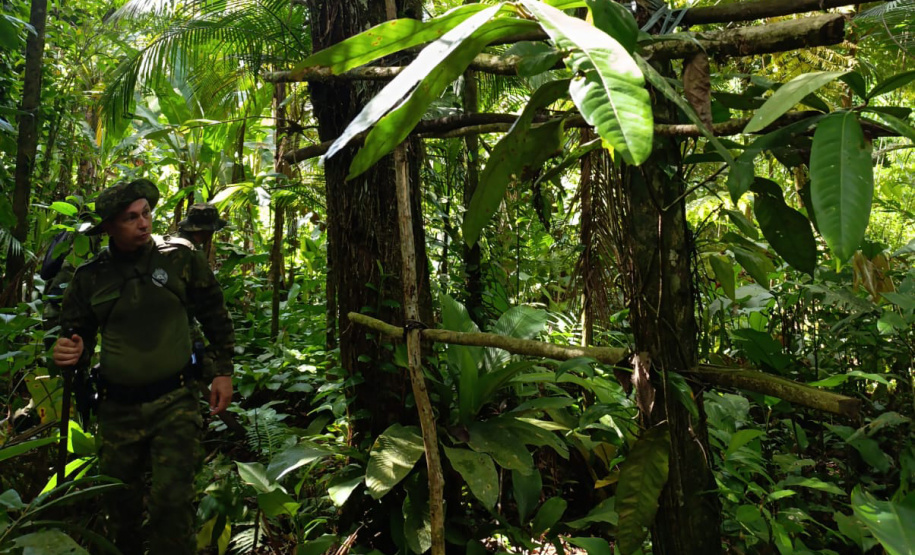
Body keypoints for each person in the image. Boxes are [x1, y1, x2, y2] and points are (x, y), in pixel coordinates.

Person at [52, 179, 235, 555]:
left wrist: (222, 371)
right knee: (120, 513)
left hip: (176, 401)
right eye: (130, 218)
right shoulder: (90, 278)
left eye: (147, 214)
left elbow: (215, 314)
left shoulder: (180, 258)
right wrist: (65, 355)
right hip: (117, 409)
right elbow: (74, 341)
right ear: (108, 228)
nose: (144, 224)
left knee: (173, 507)